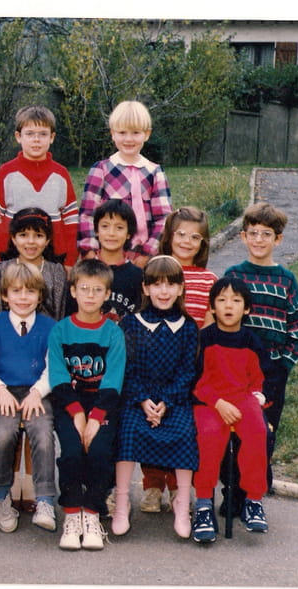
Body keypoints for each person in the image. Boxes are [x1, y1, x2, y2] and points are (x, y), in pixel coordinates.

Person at [223, 202, 298, 511]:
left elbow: (297, 325)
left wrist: (284, 364)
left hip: (272, 369)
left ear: (278, 239)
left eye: (266, 234)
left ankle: (253, 492)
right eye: (253, 233)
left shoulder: (286, 279)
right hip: (237, 370)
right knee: (233, 433)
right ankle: (232, 491)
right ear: (243, 237)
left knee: (263, 432)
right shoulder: (234, 274)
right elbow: (223, 317)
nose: (259, 240)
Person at [113, 255, 199, 539]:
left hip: (173, 401)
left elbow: (187, 372)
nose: (164, 291)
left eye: (170, 285)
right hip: (138, 399)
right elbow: (126, 367)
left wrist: (166, 402)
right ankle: (122, 502)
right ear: (146, 288)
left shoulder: (187, 326)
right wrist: (142, 400)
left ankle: (182, 504)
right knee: (127, 430)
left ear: (180, 288)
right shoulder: (131, 324)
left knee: (185, 432)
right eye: (157, 284)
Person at [138, 206, 217, 513]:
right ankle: (152, 484)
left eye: (195, 237)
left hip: (190, 365)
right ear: (169, 236)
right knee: (153, 421)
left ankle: (177, 487)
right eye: (181, 234)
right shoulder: (155, 271)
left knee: (183, 426)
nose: (186, 241)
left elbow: (209, 325)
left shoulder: (209, 279)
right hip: (155, 364)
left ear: (203, 244)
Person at [48, 259, 126, 551]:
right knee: (70, 452)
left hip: (102, 404)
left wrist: (95, 417)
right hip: (70, 404)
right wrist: (78, 414)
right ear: (73, 291)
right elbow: (58, 377)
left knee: (100, 452)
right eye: (84, 289)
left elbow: (113, 379)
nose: (90, 295)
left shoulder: (113, 333)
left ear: (107, 294)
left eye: (97, 290)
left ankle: (92, 514)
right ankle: (72, 514)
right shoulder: (60, 331)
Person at [192, 277, 269, 543]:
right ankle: (203, 504)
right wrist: (217, 402)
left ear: (246, 309)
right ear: (212, 307)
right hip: (209, 400)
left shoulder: (251, 340)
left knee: (258, 432)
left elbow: (258, 377)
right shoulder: (204, 338)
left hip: (243, 398)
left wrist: (257, 396)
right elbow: (196, 381)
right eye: (222, 300)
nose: (228, 306)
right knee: (209, 435)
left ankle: (253, 500)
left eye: (236, 301)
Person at [0, 262, 57, 533]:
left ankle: (45, 500)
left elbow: (53, 367)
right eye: (16, 291)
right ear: (5, 295)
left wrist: (37, 392)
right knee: (3, 433)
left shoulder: (50, 327)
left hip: (36, 392)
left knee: (42, 432)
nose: (23, 297)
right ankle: (2, 496)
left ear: (40, 295)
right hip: (2, 392)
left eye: (30, 291)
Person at [77, 100, 172, 268]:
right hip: (106, 255)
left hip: (143, 257)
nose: (128, 139)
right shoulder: (102, 169)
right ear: (112, 134)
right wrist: (91, 252)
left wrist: (148, 253)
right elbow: (87, 215)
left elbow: (163, 218)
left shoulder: (155, 172)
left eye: (135, 133)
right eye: (122, 132)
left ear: (146, 134)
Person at [0, 105, 79, 267]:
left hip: (53, 258)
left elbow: (71, 221)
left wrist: (69, 261)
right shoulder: (6, 172)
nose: (36, 140)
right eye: (29, 134)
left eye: (43, 134)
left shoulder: (61, 174)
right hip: (12, 257)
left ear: (52, 137)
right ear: (18, 136)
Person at [0, 207, 69, 321]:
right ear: (13, 239)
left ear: (47, 240)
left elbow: (60, 312)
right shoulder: (1, 270)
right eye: (23, 235)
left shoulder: (56, 272)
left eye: (38, 235)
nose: (31, 241)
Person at [90, 199, 143, 322]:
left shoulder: (137, 276)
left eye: (119, 227)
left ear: (129, 233)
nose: (111, 233)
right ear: (97, 231)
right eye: (105, 226)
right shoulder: (84, 271)